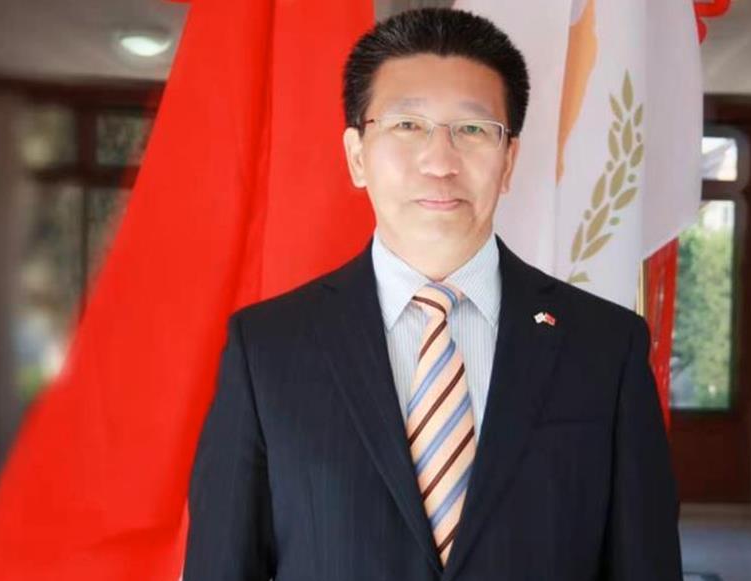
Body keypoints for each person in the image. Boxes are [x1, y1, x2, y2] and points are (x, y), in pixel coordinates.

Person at [183, 7, 681, 580]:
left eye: (473, 130)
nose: (440, 162)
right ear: (356, 156)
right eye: (407, 125)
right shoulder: (267, 349)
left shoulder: (606, 347)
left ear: (509, 160)